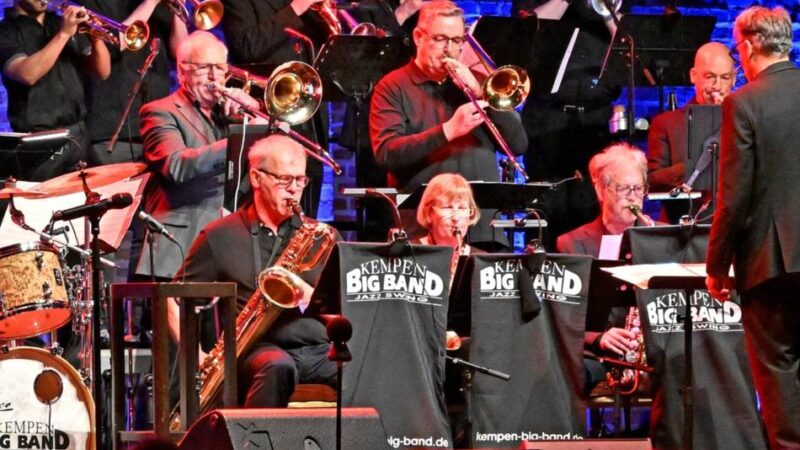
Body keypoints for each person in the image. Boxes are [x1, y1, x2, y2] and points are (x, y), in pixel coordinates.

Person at [169, 134, 338, 407]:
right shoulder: (219, 235)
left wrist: (310, 295)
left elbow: (347, 304)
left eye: (300, 180)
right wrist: (196, 355)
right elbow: (174, 299)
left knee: (369, 367)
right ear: (257, 178)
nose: (294, 189)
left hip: (319, 349)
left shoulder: (321, 236)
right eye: (285, 180)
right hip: (260, 348)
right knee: (276, 367)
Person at [706, 6, 800, 448]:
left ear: (747, 46)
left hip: (773, 262)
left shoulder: (744, 102)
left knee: (779, 378)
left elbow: (735, 197)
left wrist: (716, 265)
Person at [370, 0, 527, 250]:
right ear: (419, 37)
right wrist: (449, 131)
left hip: (483, 229)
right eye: (441, 39)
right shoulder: (392, 87)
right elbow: (387, 153)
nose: (449, 49)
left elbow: (518, 144)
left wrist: (481, 93)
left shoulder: (478, 84)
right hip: (423, 232)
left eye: (456, 41)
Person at [132, 31, 265, 280]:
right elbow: (176, 166)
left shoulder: (230, 115)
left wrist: (253, 120)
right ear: (182, 72)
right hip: (181, 245)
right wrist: (238, 140)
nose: (215, 77)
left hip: (230, 246)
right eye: (205, 68)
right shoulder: (159, 111)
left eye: (220, 68)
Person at [513, 0, 620, 249]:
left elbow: (626, 45)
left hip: (595, 118)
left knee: (593, 204)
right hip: (547, 117)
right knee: (546, 207)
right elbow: (529, 26)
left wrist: (605, 14)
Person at [556, 143, 649, 393]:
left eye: (638, 188)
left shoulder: (659, 237)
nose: (633, 197)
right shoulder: (572, 243)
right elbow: (564, 316)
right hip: (598, 353)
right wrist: (599, 337)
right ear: (601, 190)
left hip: (651, 351)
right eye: (623, 188)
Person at [0, 0, 110, 181]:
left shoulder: (59, 22)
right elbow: (27, 74)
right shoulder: (6, 31)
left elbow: (102, 71)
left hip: (79, 135)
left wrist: (95, 36)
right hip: (40, 144)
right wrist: (64, 34)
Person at [78, 0, 188, 165]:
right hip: (114, 128)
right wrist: (150, 3)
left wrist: (178, 11)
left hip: (158, 122)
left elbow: (182, 53)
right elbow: (113, 42)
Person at [647, 42, 736, 223]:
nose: (717, 86)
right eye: (710, 77)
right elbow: (652, 181)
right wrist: (698, 163)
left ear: (734, 79)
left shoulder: (744, 121)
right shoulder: (666, 123)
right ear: (693, 76)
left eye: (725, 77)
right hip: (685, 228)